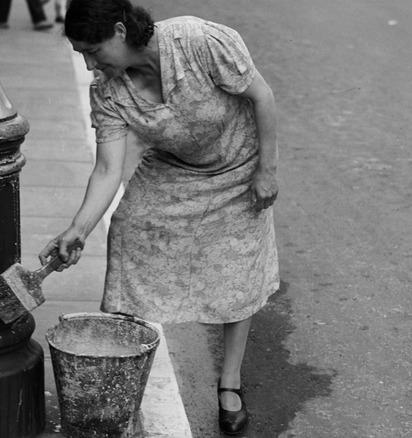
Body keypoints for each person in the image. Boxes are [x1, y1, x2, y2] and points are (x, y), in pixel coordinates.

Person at [40, 0, 279, 434]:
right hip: (173, 167)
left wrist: (267, 170)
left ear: (118, 31)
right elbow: (109, 169)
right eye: (82, 56)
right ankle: (120, 366)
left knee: (237, 265)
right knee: (128, 231)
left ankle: (230, 381)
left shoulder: (198, 41)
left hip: (239, 166)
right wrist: (78, 229)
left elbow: (261, 96)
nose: (92, 65)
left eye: (93, 51)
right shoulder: (109, 92)